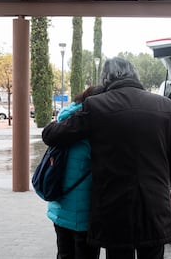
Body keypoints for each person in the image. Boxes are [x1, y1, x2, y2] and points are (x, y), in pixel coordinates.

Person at [42, 57, 171, 259]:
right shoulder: (165, 105)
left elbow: (52, 136)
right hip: (155, 205)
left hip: (114, 208)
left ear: (106, 79)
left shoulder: (96, 105)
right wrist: (162, 182)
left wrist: (57, 119)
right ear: (135, 76)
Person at [47, 85, 103, 259]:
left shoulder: (63, 121)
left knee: (64, 254)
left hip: (59, 208)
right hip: (84, 214)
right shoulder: (91, 129)